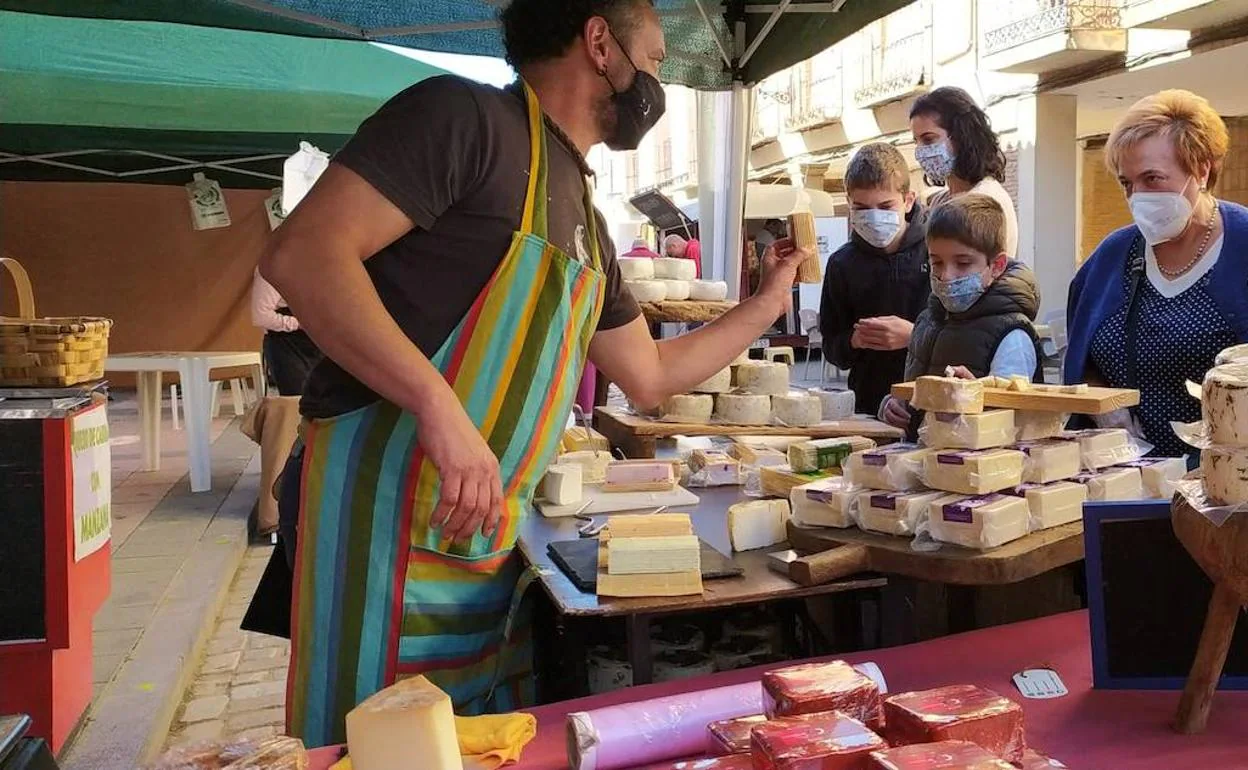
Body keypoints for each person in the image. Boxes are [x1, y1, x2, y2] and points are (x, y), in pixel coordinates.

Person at [256, 0, 809, 747]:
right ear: (600, 44)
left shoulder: (584, 208)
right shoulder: (462, 120)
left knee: (473, 745)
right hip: (387, 511)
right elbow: (302, 256)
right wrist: (439, 406)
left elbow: (648, 374)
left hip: (485, 539)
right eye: (653, 59)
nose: (657, 81)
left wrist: (768, 302)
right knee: (371, 747)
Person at [1066, 90, 1248, 460]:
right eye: (1127, 184)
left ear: (1202, 168)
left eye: (1152, 178)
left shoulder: (1241, 247)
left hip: (1228, 494)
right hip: (1125, 487)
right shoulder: (1112, 257)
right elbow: (1083, 360)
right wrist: (1106, 411)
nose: (1138, 197)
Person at [879, 194, 1041, 435]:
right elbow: (914, 396)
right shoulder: (928, 321)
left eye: (963, 264)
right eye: (937, 263)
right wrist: (893, 406)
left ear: (996, 266)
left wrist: (973, 399)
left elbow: (1012, 423)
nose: (946, 276)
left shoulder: (1012, 337)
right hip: (926, 459)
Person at [821, 143, 931, 417]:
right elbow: (832, 347)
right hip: (868, 406)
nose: (873, 217)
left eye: (885, 206)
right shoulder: (841, 264)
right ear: (849, 204)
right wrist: (854, 341)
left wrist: (913, 335)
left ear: (908, 201)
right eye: (861, 208)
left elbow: (962, 332)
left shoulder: (937, 251)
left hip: (932, 402)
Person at [910, 86, 1019, 257]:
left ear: (961, 136)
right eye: (916, 141)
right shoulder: (941, 199)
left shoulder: (987, 199)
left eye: (929, 139)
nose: (920, 151)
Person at [250, 268, 321, 396]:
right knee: (296, 403)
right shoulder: (272, 268)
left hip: (317, 343)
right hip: (287, 345)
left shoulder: (317, 266)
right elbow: (261, 316)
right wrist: (299, 323)